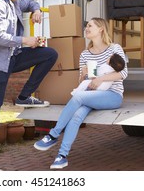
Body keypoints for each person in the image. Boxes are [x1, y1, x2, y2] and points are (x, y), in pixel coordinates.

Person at [0, 0, 58, 171]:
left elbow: (29, 3)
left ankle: (24, 96)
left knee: (49, 54)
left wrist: (37, 9)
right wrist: (26, 40)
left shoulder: (13, 2)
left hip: (12, 57)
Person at [34, 17, 128, 169]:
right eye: (86, 26)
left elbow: (123, 74)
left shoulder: (114, 48)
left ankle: (53, 135)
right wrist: (84, 75)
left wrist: (101, 79)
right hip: (90, 93)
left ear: (101, 29)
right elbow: (81, 82)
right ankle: (62, 156)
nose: (87, 28)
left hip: (112, 95)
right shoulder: (85, 55)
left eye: (90, 25)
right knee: (77, 116)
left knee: (78, 97)